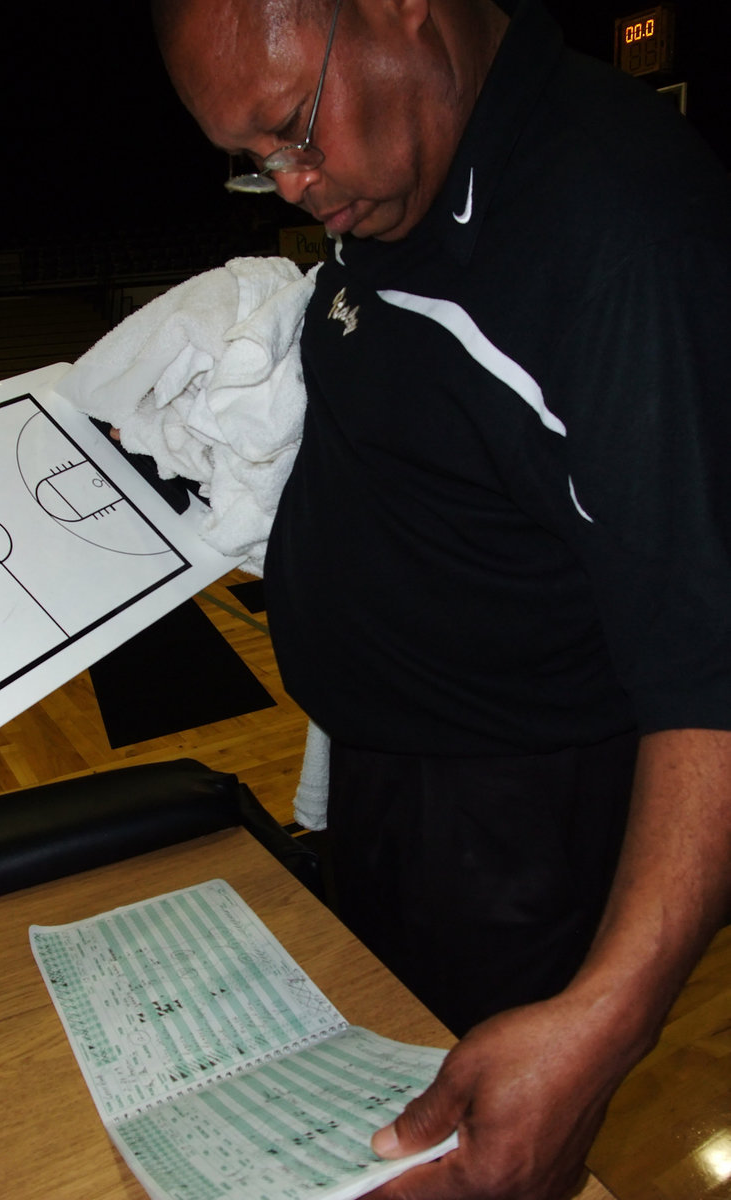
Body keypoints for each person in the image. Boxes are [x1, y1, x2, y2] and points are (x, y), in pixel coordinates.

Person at [150, 0, 731, 1196]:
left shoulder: (624, 235)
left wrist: (603, 1020)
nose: (296, 183)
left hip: (513, 833)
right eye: (255, 165)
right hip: (389, 786)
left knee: (470, 1156)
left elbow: (713, 672)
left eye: (292, 132)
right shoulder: (396, 161)